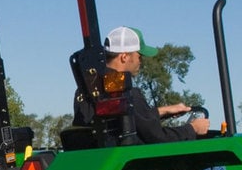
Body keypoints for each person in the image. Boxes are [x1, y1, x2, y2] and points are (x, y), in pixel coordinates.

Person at [73, 26, 209, 144]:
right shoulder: (126, 92)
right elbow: (157, 137)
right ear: (124, 57)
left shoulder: (86, 92)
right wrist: (192, 129)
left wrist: (164, 111)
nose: (141, 61)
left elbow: (128, 119)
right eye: (139, 56)